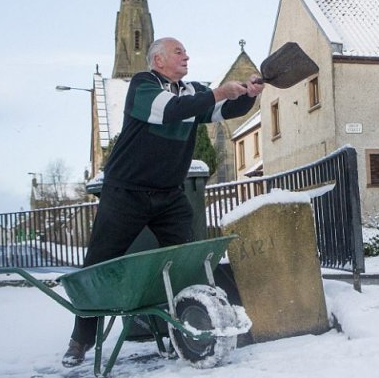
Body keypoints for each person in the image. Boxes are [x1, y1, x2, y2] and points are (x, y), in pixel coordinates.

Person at [62, 37, 264, 367]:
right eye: (178, 52)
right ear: (158, 60)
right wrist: (218, 92)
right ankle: (81, 339)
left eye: (186, 51)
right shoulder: (143, 86)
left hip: (169, 194)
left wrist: (249, 95)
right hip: (126, 192)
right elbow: (171, 111)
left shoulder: (191, 92)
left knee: (187, 261)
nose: (187, 56)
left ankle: (192, 326)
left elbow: (224, 110)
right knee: (99, 264)